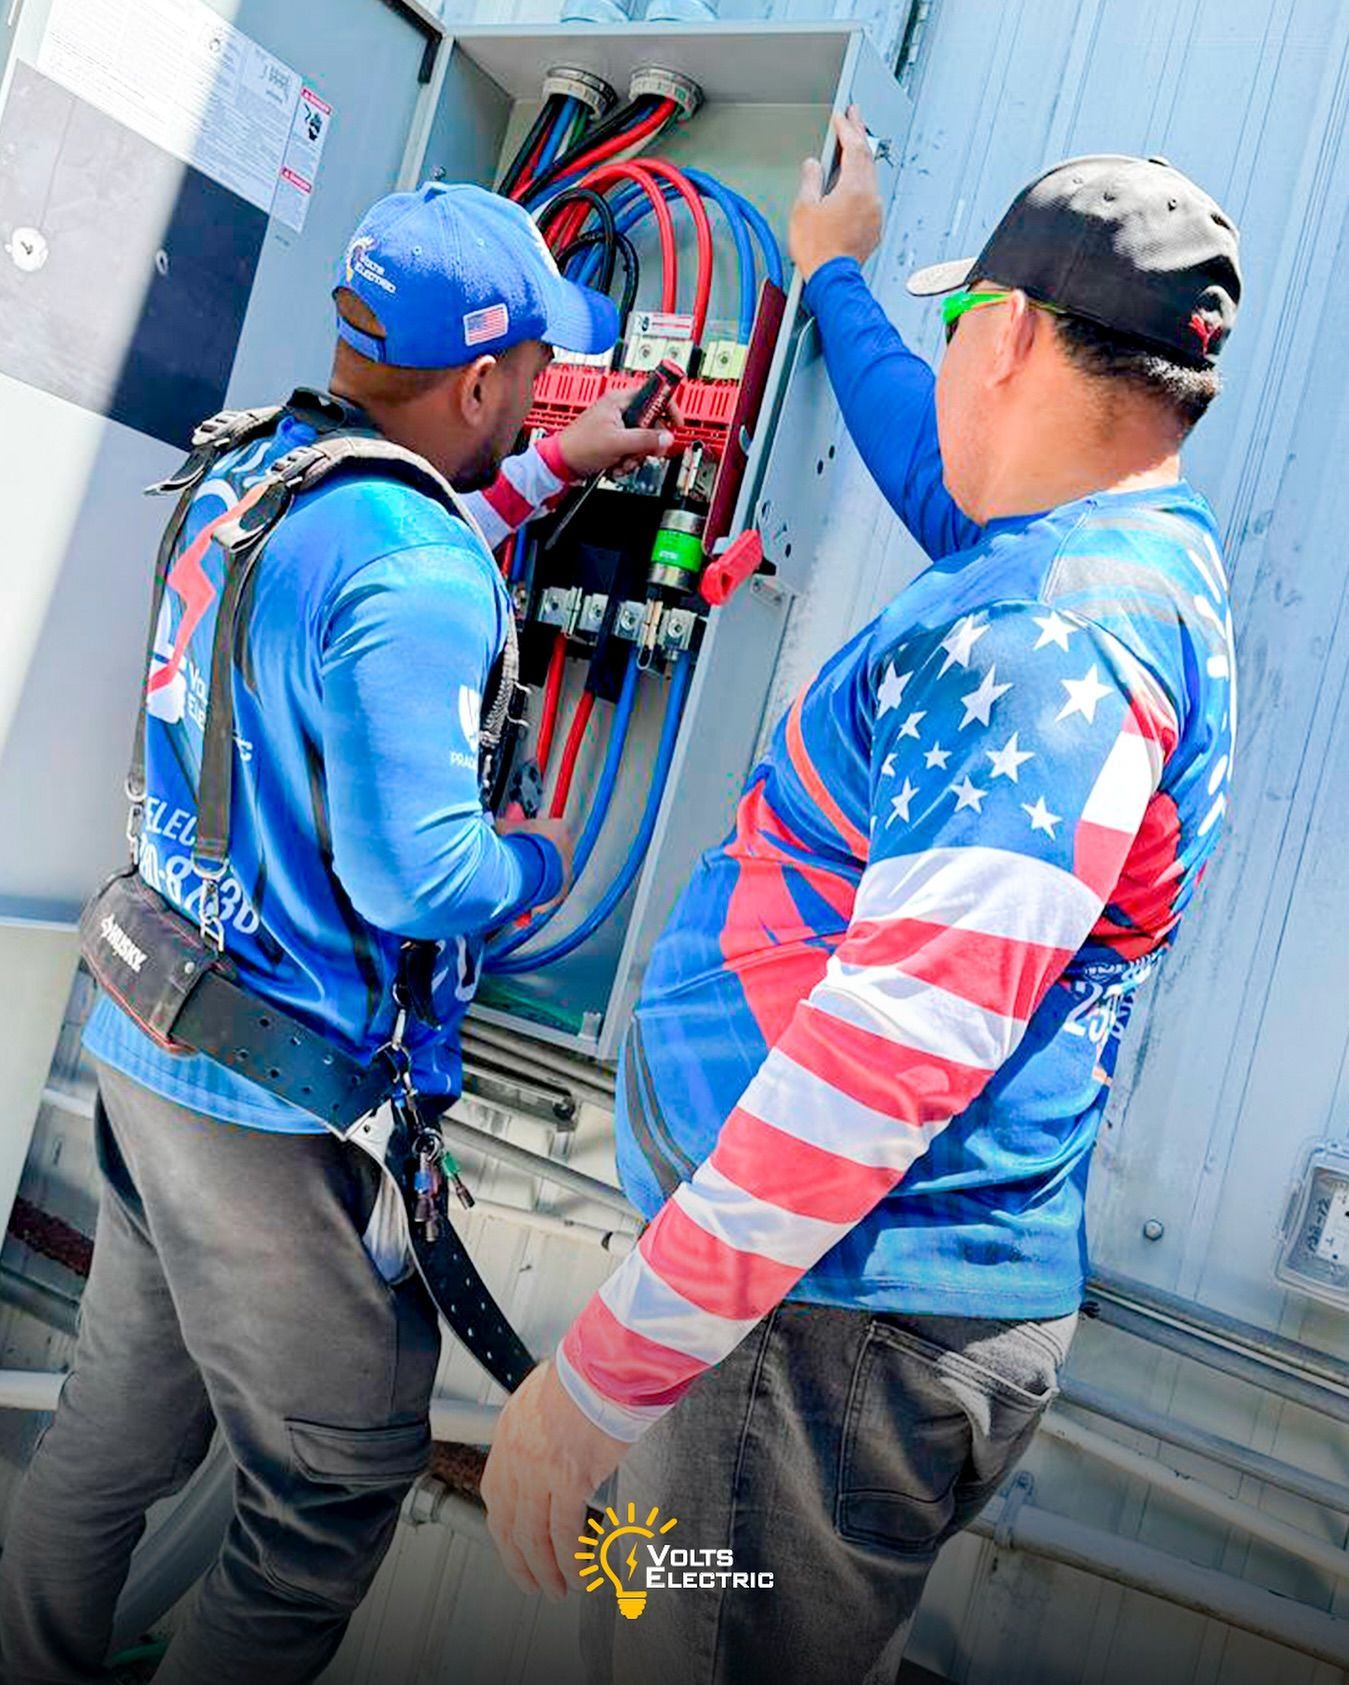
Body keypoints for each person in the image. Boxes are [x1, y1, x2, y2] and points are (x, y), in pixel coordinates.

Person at [481, 110, 1242, 1685]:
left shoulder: (1049, 643)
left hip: (827, 1333)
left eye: (959, 319)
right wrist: (832, 280)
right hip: (816, 1325)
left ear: (1013, 336)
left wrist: (594, 1382)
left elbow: (887, 1049)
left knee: (717, 1644)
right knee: (695, 1598)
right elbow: (927, 449)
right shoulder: (1103, 548)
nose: (949, 351)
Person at [0, 182, 676, 1685]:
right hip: (268, 1102)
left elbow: (371, 567)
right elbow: (418, 876)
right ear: (479, 378)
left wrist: (561, 467)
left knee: (113, 1428)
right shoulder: (412, 565)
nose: (532, 405)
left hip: (150, 1023)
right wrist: (533, 856)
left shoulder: (263, 471)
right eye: (530, 387)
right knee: (324, 1492)